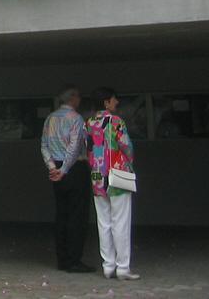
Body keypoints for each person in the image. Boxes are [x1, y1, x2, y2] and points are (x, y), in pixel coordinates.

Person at [86, 87, 140, 281]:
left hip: (97, 175)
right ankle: (122, 267)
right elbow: (126, 146)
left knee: (104, 222)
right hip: (118, 173)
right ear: (106, 102)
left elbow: (87, 148)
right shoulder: (116, 121)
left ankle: (107, 266)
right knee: (121, 220)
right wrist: (129, 162)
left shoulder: (88, 123)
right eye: (114, 99)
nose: (116, 102)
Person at [40, 86, 93, 272]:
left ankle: (62, 259)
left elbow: (44, 145)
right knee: (77, 215)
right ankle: (73, 260)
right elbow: (75, 146)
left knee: (62, 214)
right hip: (75, 168)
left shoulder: (50, 118)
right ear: (73, 98)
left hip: (56, 169)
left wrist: (53, 168)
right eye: (79, 96)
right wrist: (64, 170)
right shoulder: (76, 118)